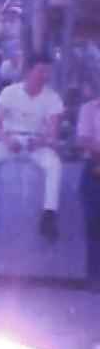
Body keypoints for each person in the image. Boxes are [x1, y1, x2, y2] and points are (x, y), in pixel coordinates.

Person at [0, 52, 63, 240]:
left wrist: (40, 142)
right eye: (41, 71)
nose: (44, 76)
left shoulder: (52, 98)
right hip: (10, 139)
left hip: (36, 143)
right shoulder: (9, 92)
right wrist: (7, 140)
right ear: (28, 71)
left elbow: (52, 133)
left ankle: (49, 215)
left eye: (47, 72)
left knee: (54, 165)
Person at [76, 83, 100, 289]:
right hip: (95, 165)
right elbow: (83, 140)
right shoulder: (89, 109)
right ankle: (95, 277)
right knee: (94, 224)